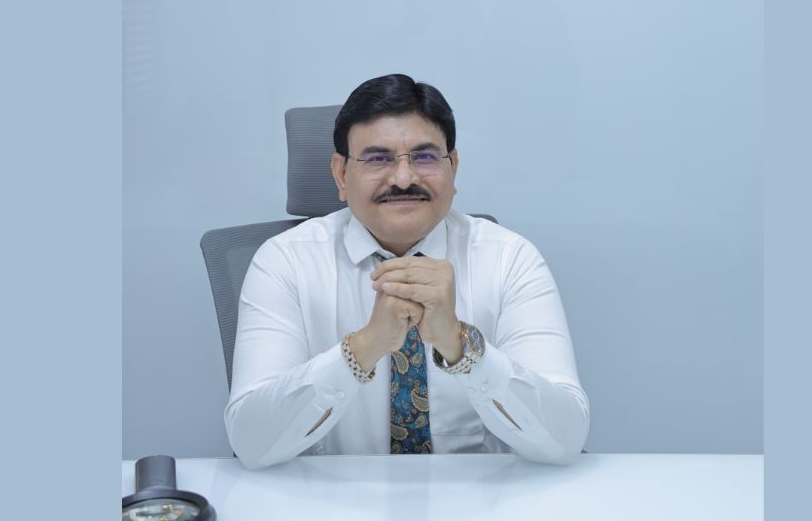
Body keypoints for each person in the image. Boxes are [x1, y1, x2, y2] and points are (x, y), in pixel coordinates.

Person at [225, 73, 589, 468]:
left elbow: (565, 440)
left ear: (453, 168)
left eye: (425, 157)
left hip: (480, 497)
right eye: (377, 158)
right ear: (341, 175)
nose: (403, 178)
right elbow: (252, 444)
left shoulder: (510, 259)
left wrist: (461, 345)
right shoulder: (285, 262)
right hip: (332, 497)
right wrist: (364, 347)